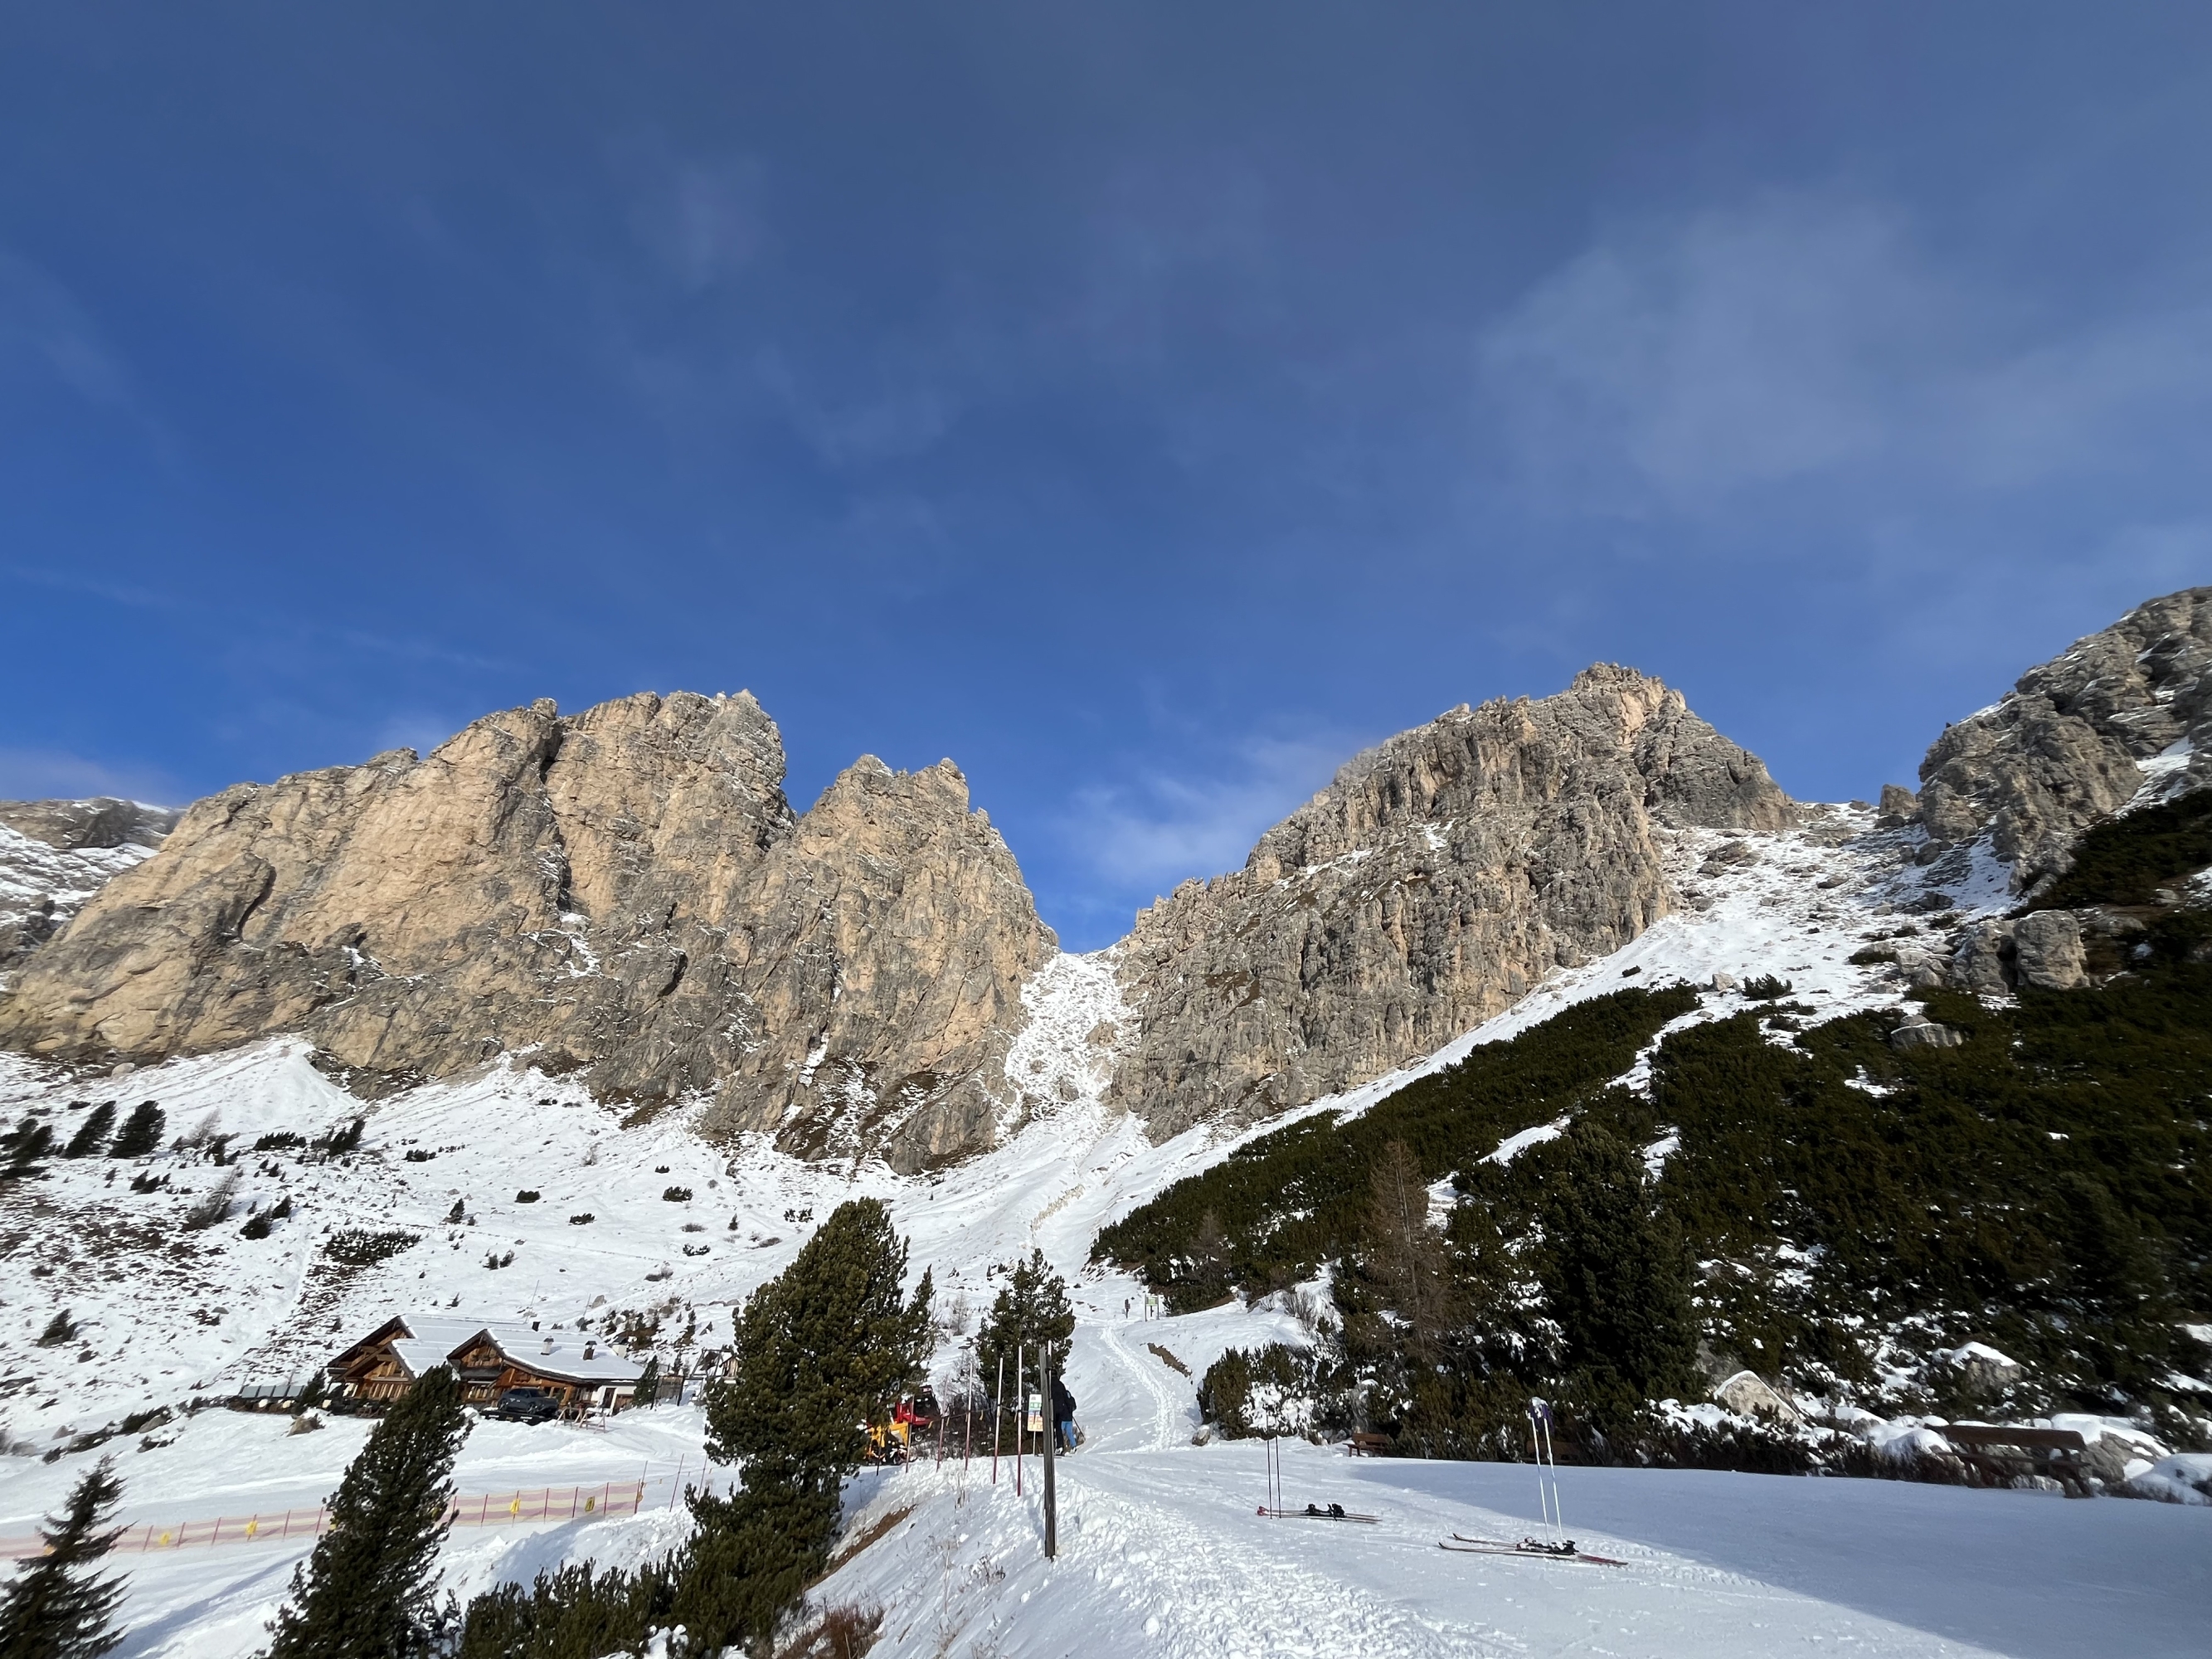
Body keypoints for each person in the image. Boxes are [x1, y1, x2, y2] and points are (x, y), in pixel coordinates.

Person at [1051, 1374, 1077, 1454]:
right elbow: (1074, 1407)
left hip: (1061, 1416)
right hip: (1068, 1418)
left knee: (1057, 1431)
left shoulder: (1051, 1386)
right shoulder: (1070, 1399)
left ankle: (1057, 1446)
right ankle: (1072, 1446)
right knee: (1069, 1433)